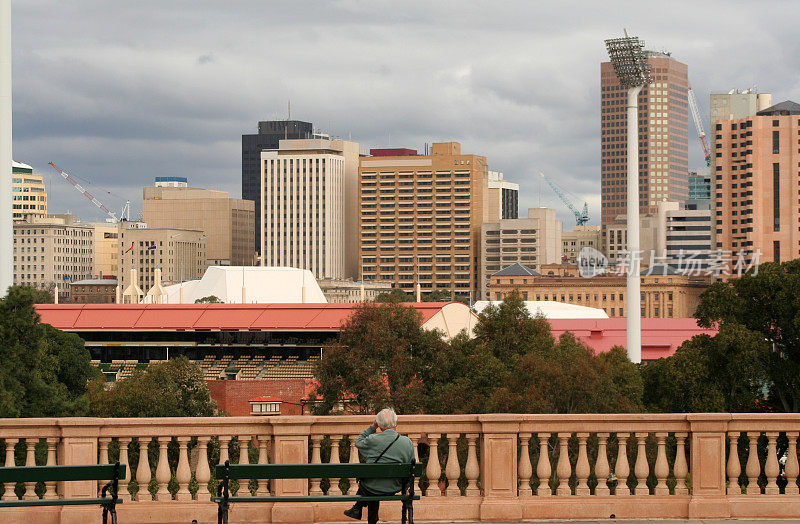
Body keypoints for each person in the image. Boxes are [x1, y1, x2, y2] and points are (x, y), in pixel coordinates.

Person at [344, 408, 415, 524]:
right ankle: (357, 509)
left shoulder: (373, 439)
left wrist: (373, 427)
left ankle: (360, 511)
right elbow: (411, 465)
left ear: (380, 425)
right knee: (373, 483)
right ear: (396, 423)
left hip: (371, 489)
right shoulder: (407, 442)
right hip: (395, 487)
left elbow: (358, 442)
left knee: (371, 485)